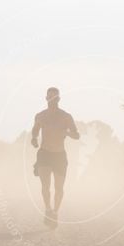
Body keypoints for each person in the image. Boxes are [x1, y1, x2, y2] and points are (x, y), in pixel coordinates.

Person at [31, 87, 79, 227]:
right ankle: (47, 209)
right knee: (45, 186)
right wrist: (34, 139)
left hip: (59, 155)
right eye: (49, 97)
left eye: (55, 97)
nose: (52, 100)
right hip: (44, 154)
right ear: (46, 98)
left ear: (59, 99)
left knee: (59, 188)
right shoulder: (40, 115)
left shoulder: (66, 116)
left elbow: (77, 135)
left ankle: (55, 213)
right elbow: (35, 131)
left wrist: (67, 133)